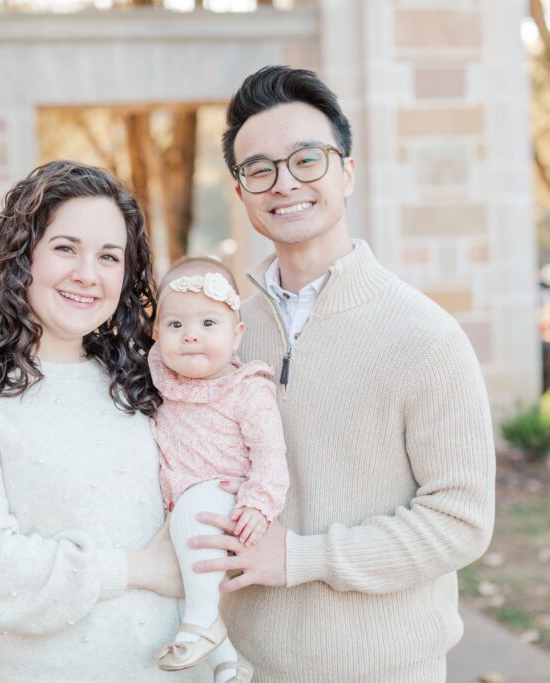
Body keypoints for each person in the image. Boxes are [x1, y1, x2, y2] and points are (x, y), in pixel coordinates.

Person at [190, 66, 497, 681]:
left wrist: (301, 557)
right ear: (242, 190)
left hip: (384, 668)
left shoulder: (424, 336)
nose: (285, 183)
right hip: (246, 665)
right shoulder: (226, 332)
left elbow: (461, 522)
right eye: (259, 169)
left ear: (346, 171)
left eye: (307, 159)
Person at [0, 160, 207, 682]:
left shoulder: (147, 379)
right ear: (21, 255)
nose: (87, 274)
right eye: (65, 248)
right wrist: (136, 569)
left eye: (109, 256)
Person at [149, 257, 288, 683]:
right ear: (156, 335)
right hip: (178, 503)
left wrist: (259, 504)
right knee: (189, 570)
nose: (190, 335)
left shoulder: (247, 389)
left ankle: (202, 621)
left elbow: (270, 453)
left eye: (209, 323)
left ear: (236, 333)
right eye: (175, 326)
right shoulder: (159, 376)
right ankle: (227, 658)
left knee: (200, 506)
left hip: (226, 496)